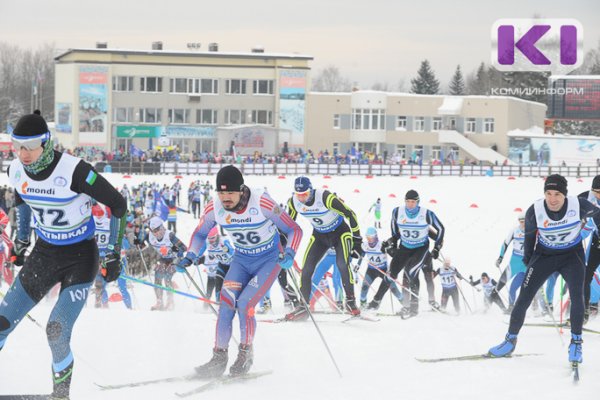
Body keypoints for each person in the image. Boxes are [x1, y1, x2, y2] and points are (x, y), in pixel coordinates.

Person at [0, 111, 127, 399]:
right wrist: (21, 241)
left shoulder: (75, 170)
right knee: (1, 324)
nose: (23, 153)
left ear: (45, 143)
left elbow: (118, 205)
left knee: (56, 330)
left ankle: (61, 395)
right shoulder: (15, 170)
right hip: (44, 255)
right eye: (18, 145)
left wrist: (113, 254)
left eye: (30, 146)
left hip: (80, 258)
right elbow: (21, 199)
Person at [177, 165, 302, 377]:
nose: (225, 198)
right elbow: (199, 235)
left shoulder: (261, 202)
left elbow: (293, 229)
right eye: (221, 192)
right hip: (242, 260)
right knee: (226, 302)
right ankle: (218, 358)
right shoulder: (213, 208)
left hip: (269, 260)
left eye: (230, 192)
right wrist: (190, 255)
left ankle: (245, 354)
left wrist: (290, 253)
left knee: (245, 303)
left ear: (241, 190)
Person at [488, 174, 600, 365]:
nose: (552, 199)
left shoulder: (578, 205)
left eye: (557, 194)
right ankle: (510, 339)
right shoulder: (535, 210)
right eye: (548, 193)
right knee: (524, 296)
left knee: (577, 294)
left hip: (572, 256)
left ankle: (576, 342)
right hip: (544, 256)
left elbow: (598, 215)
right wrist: (529, 262)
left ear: (565, 195)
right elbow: (530, 239)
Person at [285, 176, 363, 320]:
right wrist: (283, 245)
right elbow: (288, 225)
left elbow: (350, 214)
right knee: (307, 268)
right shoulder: (293, 202)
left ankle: (351, 302)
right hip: (320, 236)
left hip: (340, 233)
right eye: (298, 195)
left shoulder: (325, 197)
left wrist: (357, 240)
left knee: (342, 264)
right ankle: (303, 305)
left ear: (311, 191)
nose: (302, 198)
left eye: (305, 194)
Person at [368, 189, 445, 318]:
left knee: (411, 272)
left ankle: (414, 308)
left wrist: (437, 248)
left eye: (413, 202)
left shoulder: (426, 213)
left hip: (420, 248)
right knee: (390, 274)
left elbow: (441, 228)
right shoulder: (397, 212)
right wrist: (391, 242)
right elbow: (396, 233)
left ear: (418, 202)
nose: (410, 204)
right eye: (408, 201)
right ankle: (375, 302)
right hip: (405, 247)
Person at [147, 216, 187, 311]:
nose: (156, 233)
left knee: (167, 278)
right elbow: (145, 243)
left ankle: (170, 301)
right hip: (163, 259)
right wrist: (139, 242)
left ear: (162, 227)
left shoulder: (170, 236)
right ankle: (159, 302)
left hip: (174, 259)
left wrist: (176, 249)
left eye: (157, 230)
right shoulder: (151, 236)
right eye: (154, 231)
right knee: (157, 278)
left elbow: (184, 248)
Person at [358, 227, 403, 308]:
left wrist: (388, 249)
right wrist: (358, 264)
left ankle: (405, 304)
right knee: (365, 286)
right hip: (371, 270)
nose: (369, 240)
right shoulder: (365, 245)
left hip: (383, 269)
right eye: (368, 238)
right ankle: (363, 304)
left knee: (393, 288)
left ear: (375, 237)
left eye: (371, 238)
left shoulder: (381, 244)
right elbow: (362, 254)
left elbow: (392, 254)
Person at [578, 175, 600, 322]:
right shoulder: (586, 197)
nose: (598, 195)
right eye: (596, 191)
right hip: (597, 242)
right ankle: (584, 313)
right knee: (586, 275)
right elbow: (569, 205)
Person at [495, 212, 526, 311]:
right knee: (499, 285)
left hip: (525, 265)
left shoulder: (532, 231)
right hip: (514, 263)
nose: (523, 224)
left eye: (525, 221)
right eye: (521, 222)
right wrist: (500, 258)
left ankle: (536, 308)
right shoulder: (514, 231)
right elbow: (505, 244)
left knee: (519, 287)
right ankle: (488, 306)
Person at [200, 226, 234, 303]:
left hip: (232, 265)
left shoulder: (223, 241)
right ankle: (218, 302)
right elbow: (200, 251)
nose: (210, 240)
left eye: (212, 238)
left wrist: (227, 250)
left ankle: (231, 301)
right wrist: (196, 258)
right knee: (218, 283)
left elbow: (232, 252)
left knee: (229, 286)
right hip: (222, 265)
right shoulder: (207, 242)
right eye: (209, 238)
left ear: (217, 235)